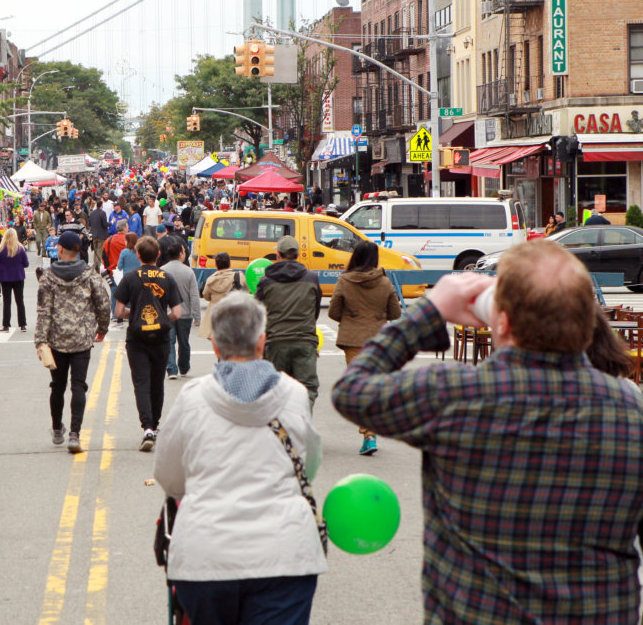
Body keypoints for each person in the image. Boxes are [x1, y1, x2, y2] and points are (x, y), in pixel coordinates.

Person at [332, 240, 643, 623]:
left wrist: (429, 313)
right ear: (587, 324)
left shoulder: (456, 396)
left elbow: (352, 391)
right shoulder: (630, 412)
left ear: (504, 322)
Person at [154, 293, 326, 625]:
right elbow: (309, 465)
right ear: (262, 342)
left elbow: (168, 476)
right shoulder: (295, 395)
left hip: (204, 559)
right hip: (285, 556)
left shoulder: (193, 398)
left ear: (215, 346)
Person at [35, 231, 110, 453]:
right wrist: (102, 329)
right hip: (81, 338)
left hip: (56, 340)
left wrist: (40, 342)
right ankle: (75, 434)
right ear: (78, 251)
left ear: (59, 249)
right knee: (79, 385)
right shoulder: (89, 275)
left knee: (57, 386)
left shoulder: (48, 277)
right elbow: (103, 304)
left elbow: (43, 311)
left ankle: (57, 428)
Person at [327, 241, 401, 456]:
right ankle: (372, 430)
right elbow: (395, 313)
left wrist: (351, 317)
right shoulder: (385, 282)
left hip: (352, 341)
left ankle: (368, 435)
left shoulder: (344, 280)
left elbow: (333, 311)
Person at [114, 236, 183, 452]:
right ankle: (156, 423)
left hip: (137, 338)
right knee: (157, 382)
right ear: (158, 255)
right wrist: (161, 317)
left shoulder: (130, 278)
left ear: (137, 255)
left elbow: (118, 311)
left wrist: (134, 315)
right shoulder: (167, 278)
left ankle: (147, 428)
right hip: (160, 338)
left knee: (141, 382)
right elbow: (178, 313)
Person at [255, 236, 322, 409]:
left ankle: (281, 429)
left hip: (275, 342)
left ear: (277, 254)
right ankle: (300, 424)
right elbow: (315, 311)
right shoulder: (311, 278)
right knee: (307, 388)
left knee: (276, 390)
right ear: (298, 255)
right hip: (305, 341)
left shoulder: (266, 281)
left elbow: (258, 313)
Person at [161, 239, 201, 380]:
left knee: (169, 341)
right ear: (180, 255)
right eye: (184, 252)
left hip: (167, 314)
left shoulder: (163, 271)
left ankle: (171, 369)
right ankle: (184, 366)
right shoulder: (188, 272)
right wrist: (197, 317)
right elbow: (194, 296)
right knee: (184, 342)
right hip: (185, 314)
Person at [198, 252, 244, 340]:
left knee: (219, 345)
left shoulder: (210, 280)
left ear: (216, 264)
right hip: (233, 316)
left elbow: (206, 296)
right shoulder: (238, 277)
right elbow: (247, 291)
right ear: (230, 263)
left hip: (215, 317)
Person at [0, 228, 30, 333]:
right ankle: (22, 324)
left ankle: (6, 324)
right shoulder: (20, 248)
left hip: (5, 277)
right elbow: (26, 263)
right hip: (18, 276)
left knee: (7, 301)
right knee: (20, 301)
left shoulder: (1, 249)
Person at [88, 198, 109, 267]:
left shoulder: (92, 213)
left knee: (95, 252)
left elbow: (90, 225)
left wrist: (90, 237)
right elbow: (105, 224)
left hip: (93, 235)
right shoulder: (102, 213)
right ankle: (97, 267)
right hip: (101, 235)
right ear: (101, 205)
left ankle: (95, 265)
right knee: (99, 252)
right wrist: (111, 222)